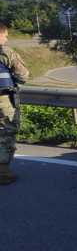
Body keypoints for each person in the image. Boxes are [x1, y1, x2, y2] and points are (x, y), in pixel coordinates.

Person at [0, 23, 30, 184]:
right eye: (5, 35)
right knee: (6, 133)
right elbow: (23, 75)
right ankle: (3, 173)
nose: (6, 38)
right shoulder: (6, 52)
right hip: (3, 99)